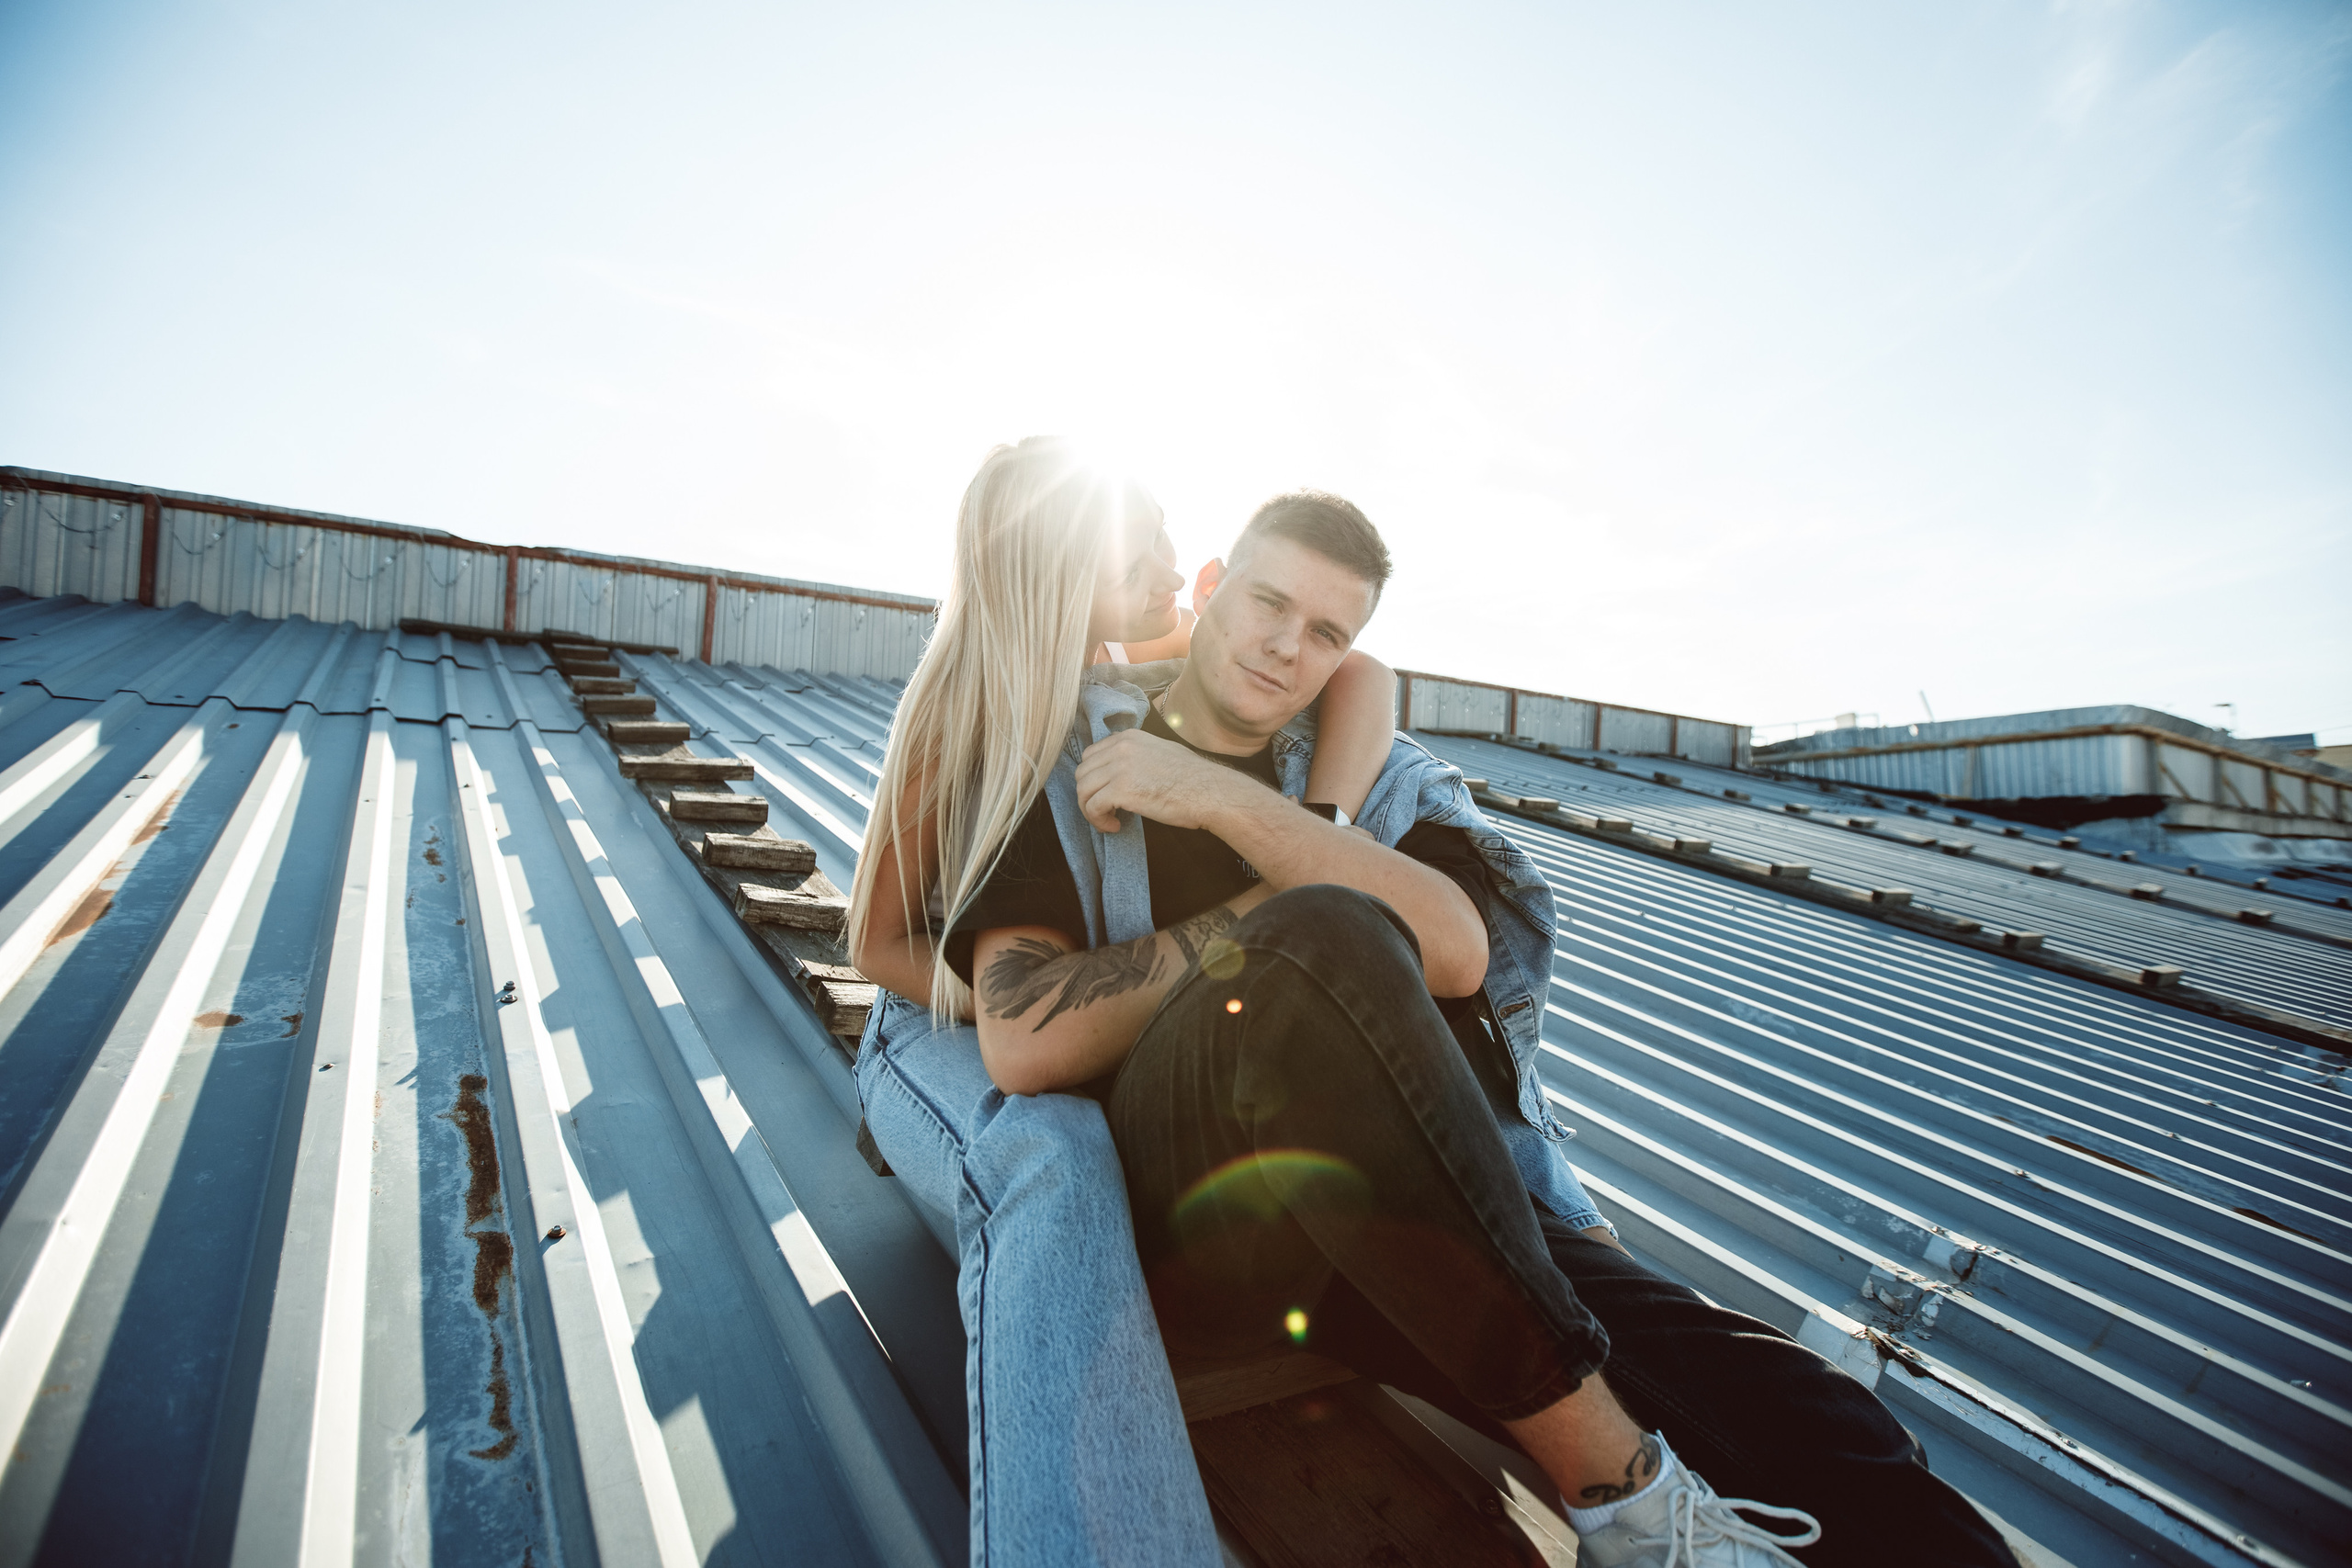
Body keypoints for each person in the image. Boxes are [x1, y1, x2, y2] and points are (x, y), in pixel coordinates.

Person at [945, 489, 2028, 1568]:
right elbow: (1025, 1035)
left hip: (1412, 1216)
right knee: (1323, 929)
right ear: (1212, 590)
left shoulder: (1380, 782)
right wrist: (1283, 908)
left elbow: (1455, 949)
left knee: (1814, 1420)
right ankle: (1629, 1507)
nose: (1286, 648)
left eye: (1327, 632)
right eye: (1269, 604)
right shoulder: (1065, 754)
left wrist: (1227, 804)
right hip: (1198, 1214)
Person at [845, 438, 1404, 1565]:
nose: (1169, 562)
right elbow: (874, 939)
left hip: (1055, 1019)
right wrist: (1025, 1012)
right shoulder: (962, 709)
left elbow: (1362, 676)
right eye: (1138, 543)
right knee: (1053, 1147)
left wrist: (1323, 841)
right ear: (1057, 567)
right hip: (930, 1029)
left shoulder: (1124, 658)